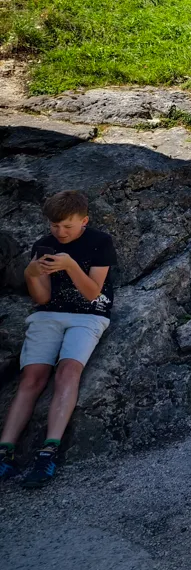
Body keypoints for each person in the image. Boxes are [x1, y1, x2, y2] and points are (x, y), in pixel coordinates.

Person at [0, 191, 116, 488]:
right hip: (48, 315)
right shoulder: (44, 245)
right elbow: (43, 297)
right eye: (55, 226)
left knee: (68, 371)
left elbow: (93, 293)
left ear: (84, 221)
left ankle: (48, 450)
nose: (60, 233)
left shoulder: (100, 242)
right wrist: (30, 273)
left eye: (67, 226)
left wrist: (71, 265)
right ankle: (5, 451)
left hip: (89, 315)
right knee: (32, 378)